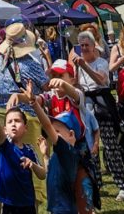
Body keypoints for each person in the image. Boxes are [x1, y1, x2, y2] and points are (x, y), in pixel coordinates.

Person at [0, 20, 50, 208]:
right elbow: (48, 89)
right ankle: (32, 205)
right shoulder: (32, 64)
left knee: (6, 166)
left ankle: (5, 205)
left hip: (0, 118)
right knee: (30, 163)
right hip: (26, 119)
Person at [25, 81, 99, 214]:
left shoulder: (69, 151)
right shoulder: (59, 153)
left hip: (64, 208)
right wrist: (45, 155)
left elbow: (47, 125)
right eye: (54, 131)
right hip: (56, 207)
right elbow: (49, 171)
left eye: (57, 131)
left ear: (71, 134)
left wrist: (34, 103)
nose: (53, 134)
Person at [73, 29, 124, 201]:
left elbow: (101, 80)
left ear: (93, 46)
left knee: (110, 145)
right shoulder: (79, 63)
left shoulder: (101, 62)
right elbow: (76, 85)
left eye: (86, 45)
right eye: (81, 46)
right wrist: (76, 69)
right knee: (90, 146)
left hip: (102, 105)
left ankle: (122, 185)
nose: (84, 49)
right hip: (86, 105)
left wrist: (84, 66)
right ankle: (95, 181)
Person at [0, 107, 46, 214]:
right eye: (10, 122)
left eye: (17, 121)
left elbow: (42, 175)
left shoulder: (30, 150)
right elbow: (0, 135)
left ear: (25, 128)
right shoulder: (5, 145)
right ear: (5, 129)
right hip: (8, 202)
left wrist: (32, 164)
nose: (13, 124)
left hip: (27, 202)